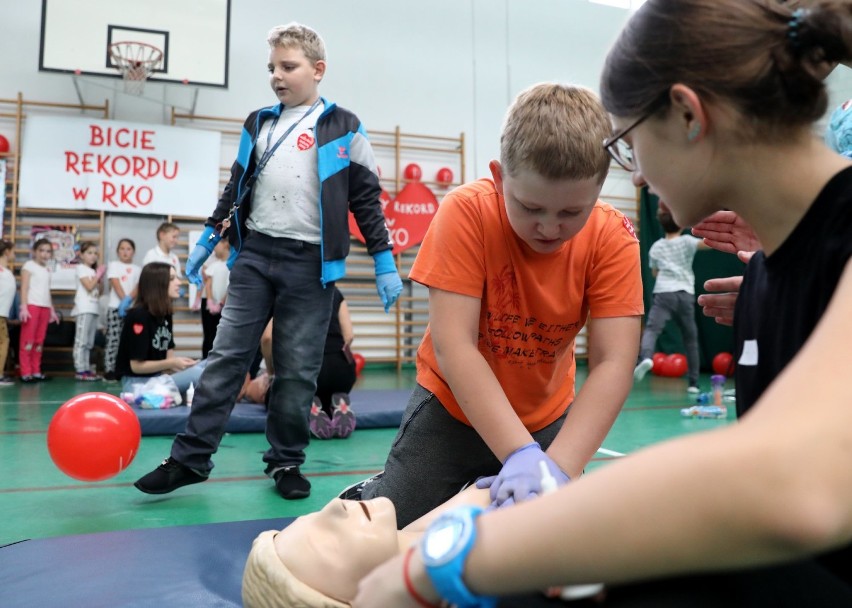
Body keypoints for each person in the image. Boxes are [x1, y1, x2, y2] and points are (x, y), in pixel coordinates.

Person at [350, 1, 852, 605]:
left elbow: (789, 492)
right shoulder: (774, 278)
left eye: (627, 145)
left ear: (688, 115)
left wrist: (455, 560)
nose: (636, 175)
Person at [353, 82, 644, 527]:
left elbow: (614, 363)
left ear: (600, 189)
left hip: (547, 418)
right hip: (451, 411)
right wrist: (520, 454)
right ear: (499, 176)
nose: (549, 227)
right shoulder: (466, 212)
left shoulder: (612, 237)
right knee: (389, 529)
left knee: (560, 548)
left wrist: (558, 467)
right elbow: (455, 347)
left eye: (571, 213)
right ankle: (376, 492)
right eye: (531, 207)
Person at [134, 22, 401, 500]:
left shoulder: (346, 127)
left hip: (310, 265)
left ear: (318, 70)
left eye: (289, 66)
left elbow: (366, 200)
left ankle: (285, 463)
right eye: (272, 68)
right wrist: (206, 240)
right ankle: (189, 459)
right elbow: (235, 188)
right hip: (255, 255)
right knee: (226, 360)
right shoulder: (258, 123)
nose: (277, 76)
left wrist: (383, 260)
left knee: (298, 370)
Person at [248, 285, 357, 439]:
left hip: (306, 367)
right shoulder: (334, 291)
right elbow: (349, 335)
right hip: (342, 371)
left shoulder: (287, 289)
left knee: (275, 396)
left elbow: (267, 338)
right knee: (325, 391)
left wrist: (272, 372)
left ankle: (308, 406)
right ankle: (337, 405)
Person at [633, 202, 708, 392]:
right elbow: (706, 244)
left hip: (663, 292)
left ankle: (647, 357)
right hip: (685, 294)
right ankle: (694, 383)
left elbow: (655, 273)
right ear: (681, 225)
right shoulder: (687, 241)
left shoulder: (656, 247)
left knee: (652, 329)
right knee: (690, 338)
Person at [115, 262, 205, 399]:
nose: (179, 283)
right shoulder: (139, 316)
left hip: (157, 380)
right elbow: (136, 367)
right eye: (172, 279)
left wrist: (186, 364)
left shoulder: (165, 314)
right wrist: (173, 363)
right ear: (158, 285)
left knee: (209, 364)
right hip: (137, 386)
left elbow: (168, 361)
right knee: (198, 375)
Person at [18, 238, 60, 382]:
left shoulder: (47, 269)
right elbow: (24, 287)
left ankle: (36, 370)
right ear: (34, 251)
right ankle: (25, 372)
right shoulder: (28, 265)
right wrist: (24, 306)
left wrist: (52, 310)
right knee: (27, 341)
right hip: (32, 306)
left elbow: (47, 291)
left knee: (39, 342)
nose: (44, 254)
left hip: (45, 308)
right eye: (41, 250)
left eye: (48, 251)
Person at [103, 238, 141, 381]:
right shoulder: (114, 265)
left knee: (128, 341)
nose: (125, 252)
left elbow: (138, 287)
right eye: (122, 249)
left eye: (128, 249)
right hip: (115, 308)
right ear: (117, 251)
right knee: (114, 339)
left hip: (131, 310)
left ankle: (123, 368)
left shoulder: (138, 269)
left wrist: (128, 301)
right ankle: (109, 369)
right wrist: (123, 300)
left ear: (133, 252)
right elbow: (115, 283)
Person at [71, 241, 105, 381]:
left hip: (93, 309)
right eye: (89, 253)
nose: (93, 256)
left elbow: (100, 291)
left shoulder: (92, 271)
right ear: (82, 255)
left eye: (95, 253)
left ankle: (86, 368)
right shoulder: (81, 268)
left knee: (89, 342)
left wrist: (100, 278)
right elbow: (89, 287)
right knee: (81, 341)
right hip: (84, 309)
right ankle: (80, 370)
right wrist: (97, 276)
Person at [200, 239, 230, 358]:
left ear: (225, 244)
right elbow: (208, 283)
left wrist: (222, 301)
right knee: (209, 336)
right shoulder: (214, 264)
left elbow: (231, 286)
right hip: (211, 306)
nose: (214, 248)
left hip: (225, 306)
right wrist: (210, 300)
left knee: (222, 337)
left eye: (216, 244)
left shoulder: (232, 264)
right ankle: (204, 363)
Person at [0, 240, 16, 385]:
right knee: (3, 343)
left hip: (2, 315)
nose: (14, 254)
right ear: (6, 252)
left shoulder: (6, 272)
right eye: (13, 251)